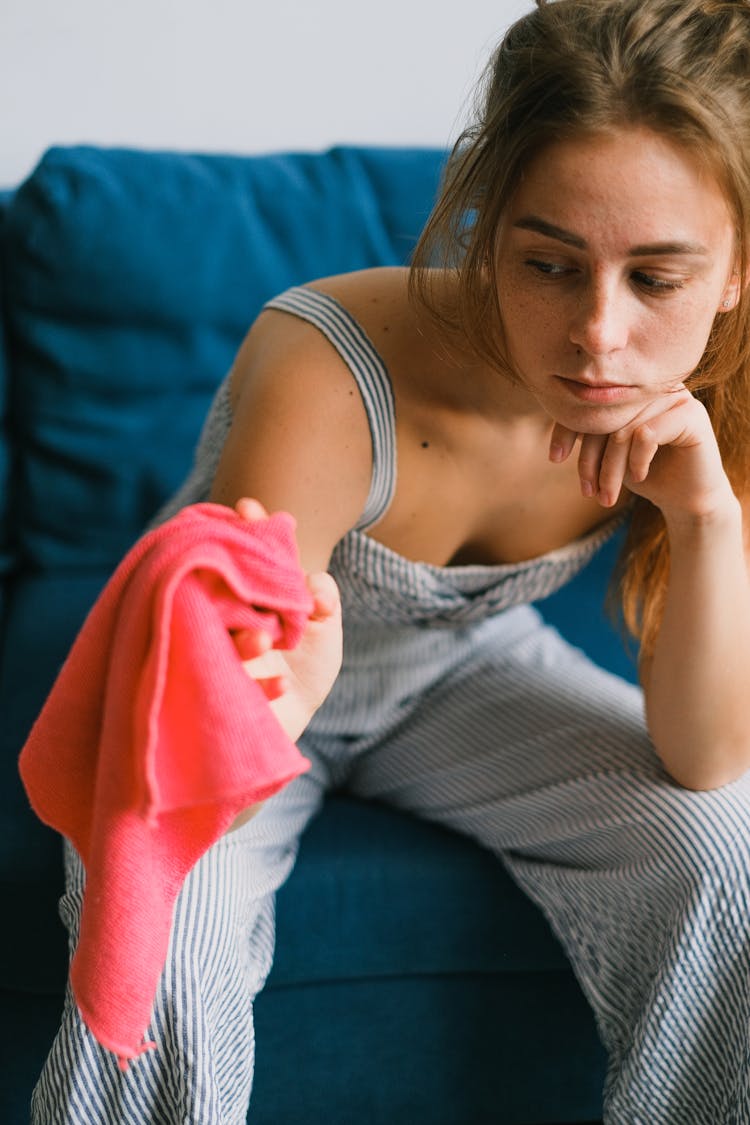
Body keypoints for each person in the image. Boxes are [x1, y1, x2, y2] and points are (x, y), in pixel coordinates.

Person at [31, 0, 750, 1120]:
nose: (599, 336)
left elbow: (705, 760)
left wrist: (706, 518)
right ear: (486, 222)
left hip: (455, 676)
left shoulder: (706, 402)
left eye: (656, 279)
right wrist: (284, 681)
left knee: (724, 844)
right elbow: (245, 684)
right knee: (165, 903)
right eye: (549, 265)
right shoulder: (329, 362)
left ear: (736, 272)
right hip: (239, 685)